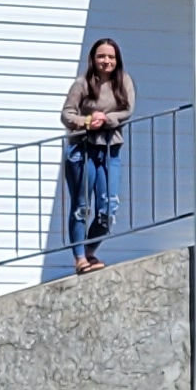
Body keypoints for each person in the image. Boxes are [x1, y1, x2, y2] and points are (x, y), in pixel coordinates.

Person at [60, 36, 131, 273]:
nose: (106, 61)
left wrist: (106, 118)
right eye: (101, 56)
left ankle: (90, 252)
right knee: (82, 206)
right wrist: (87, 121)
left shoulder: (124, 82)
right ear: (93, 59)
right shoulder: (81, 84)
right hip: (82, 148)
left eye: (111, 56)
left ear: (117, 60)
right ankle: (79, 258)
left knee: (108, 206)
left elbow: (127, 110)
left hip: (111, 149)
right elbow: (67, 115)